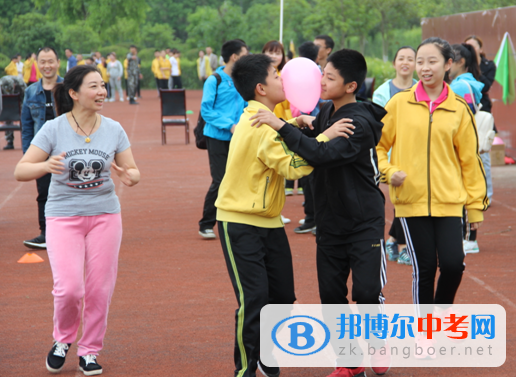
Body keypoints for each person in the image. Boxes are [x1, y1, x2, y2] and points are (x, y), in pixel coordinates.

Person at [250, 48, 389, 377]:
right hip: (329, 223)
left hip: (363, 222)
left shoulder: (360, 122)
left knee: (367, 292)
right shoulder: (326, 112)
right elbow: (314, 140)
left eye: (329, 77)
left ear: (351, 85)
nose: (321, 81)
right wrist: (301, 124)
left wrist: (281, 125)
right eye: (321, 74)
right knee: (331, 294)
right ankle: (349, 360)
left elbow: (321, 154)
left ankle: (378, 343)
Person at [14, 64, 140, 376]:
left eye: (103, 86)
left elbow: (134, 171)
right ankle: (63, 339)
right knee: (70, 289)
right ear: (74, 93)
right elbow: (21, 170)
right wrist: (46, 164)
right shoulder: (54, 129)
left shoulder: (114, 129)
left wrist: (129, 176)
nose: (102, 92)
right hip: (63, 217)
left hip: (105, 216)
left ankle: (90, 350)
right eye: (94, 86)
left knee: (99, 289)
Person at [376, 37, 488, 357]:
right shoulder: (398, 104)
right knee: (425, 267)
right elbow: (379, 146)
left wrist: (475, 209)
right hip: (410, 202)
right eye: (419, 61)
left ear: (448, 64)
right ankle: (425, 331)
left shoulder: (458, 108)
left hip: (450, 201)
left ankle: (437, 318)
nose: (423, 67)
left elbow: (470, 161)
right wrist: (388, 171)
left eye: (431, 61)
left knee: (454, 265)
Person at [216, 53, 323, 377]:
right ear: (261, 88)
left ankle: (265, 354)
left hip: (269, 220)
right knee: (254, 300)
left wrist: (291, 124)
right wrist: (324, 142)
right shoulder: (261, 126)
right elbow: (295, 166)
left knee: (282, 295)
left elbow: (275, 136)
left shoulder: (262, 117)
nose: (284, 79)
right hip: (239, 222)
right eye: (278, 74)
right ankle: (245, 370)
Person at [372, 46, 418, 265]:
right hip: (390, 156)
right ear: (394, 63)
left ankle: (394, 240)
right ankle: (402, 244)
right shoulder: (382, 92)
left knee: (409, 199)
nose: (406, 62)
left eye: (411, 59)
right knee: (400, 200)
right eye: (401, 58)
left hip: (416, 153)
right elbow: (379, 127)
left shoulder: (422, 88)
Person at [198, 39, 248, 239]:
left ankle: (234, 221)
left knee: (239, 178)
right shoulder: (215, 80)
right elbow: (206, 111)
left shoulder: (243, 79)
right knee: (220, 180)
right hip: (218, 137)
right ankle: (206, 223)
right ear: (234, 57)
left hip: (240, 136)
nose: (248, 56)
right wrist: (230, 125)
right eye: (245, 54)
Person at [20, 47, 62, 249]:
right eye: (43, 61)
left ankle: (70, 233)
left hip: (66, 150)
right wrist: (28, 154)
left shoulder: (68, 88)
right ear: (37, 64)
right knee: (44, 193)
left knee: (71, 191)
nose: (47, 66)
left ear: (58, 62)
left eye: (50, 61)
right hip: (42, 154)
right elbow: (27, 125)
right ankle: (46, 234)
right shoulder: (30, 92)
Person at [449, 43, 485, 255]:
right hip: (466, 142)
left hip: (459, 144)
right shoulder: (468, 84)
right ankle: (469, 237)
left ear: (460, 62)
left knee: (462, 191)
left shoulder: (460, 87)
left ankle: (469, 238)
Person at [465, 35, 495, 206]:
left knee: (483, 154)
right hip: (464, 112)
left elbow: (486, 86)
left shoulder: (488, 66)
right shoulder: (460, 64)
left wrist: (475, 65)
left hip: (482, 112)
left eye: (473, 46)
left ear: (480, 49)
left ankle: (487, 195)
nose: (469, 49)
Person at [0, 74, 26, 150]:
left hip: (19, 101)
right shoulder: (1, 84)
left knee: (24, 114)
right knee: (7, 113)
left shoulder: (21, 85)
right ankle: (10, 141)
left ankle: (25, 140)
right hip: (6, 105)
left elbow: (25, 99)